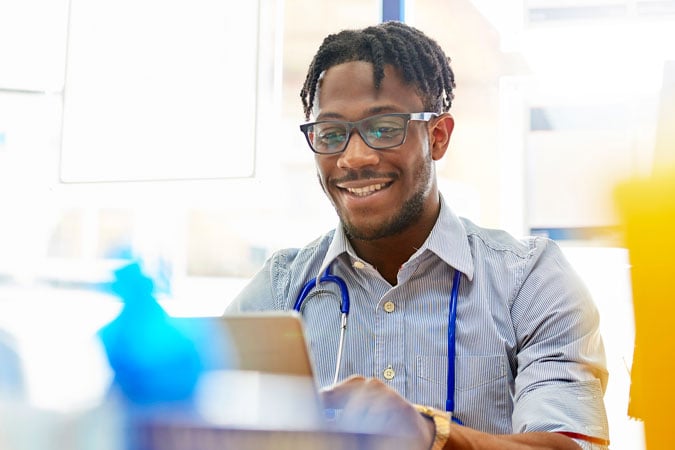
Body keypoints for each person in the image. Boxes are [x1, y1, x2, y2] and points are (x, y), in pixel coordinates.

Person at [227, 21, 609, 450]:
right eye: (332, 134)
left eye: (384, 128)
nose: (354, 158)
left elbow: (573, 446)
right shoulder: (280, 290)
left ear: (438, 136)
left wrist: (432, 433)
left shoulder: (530, 280)